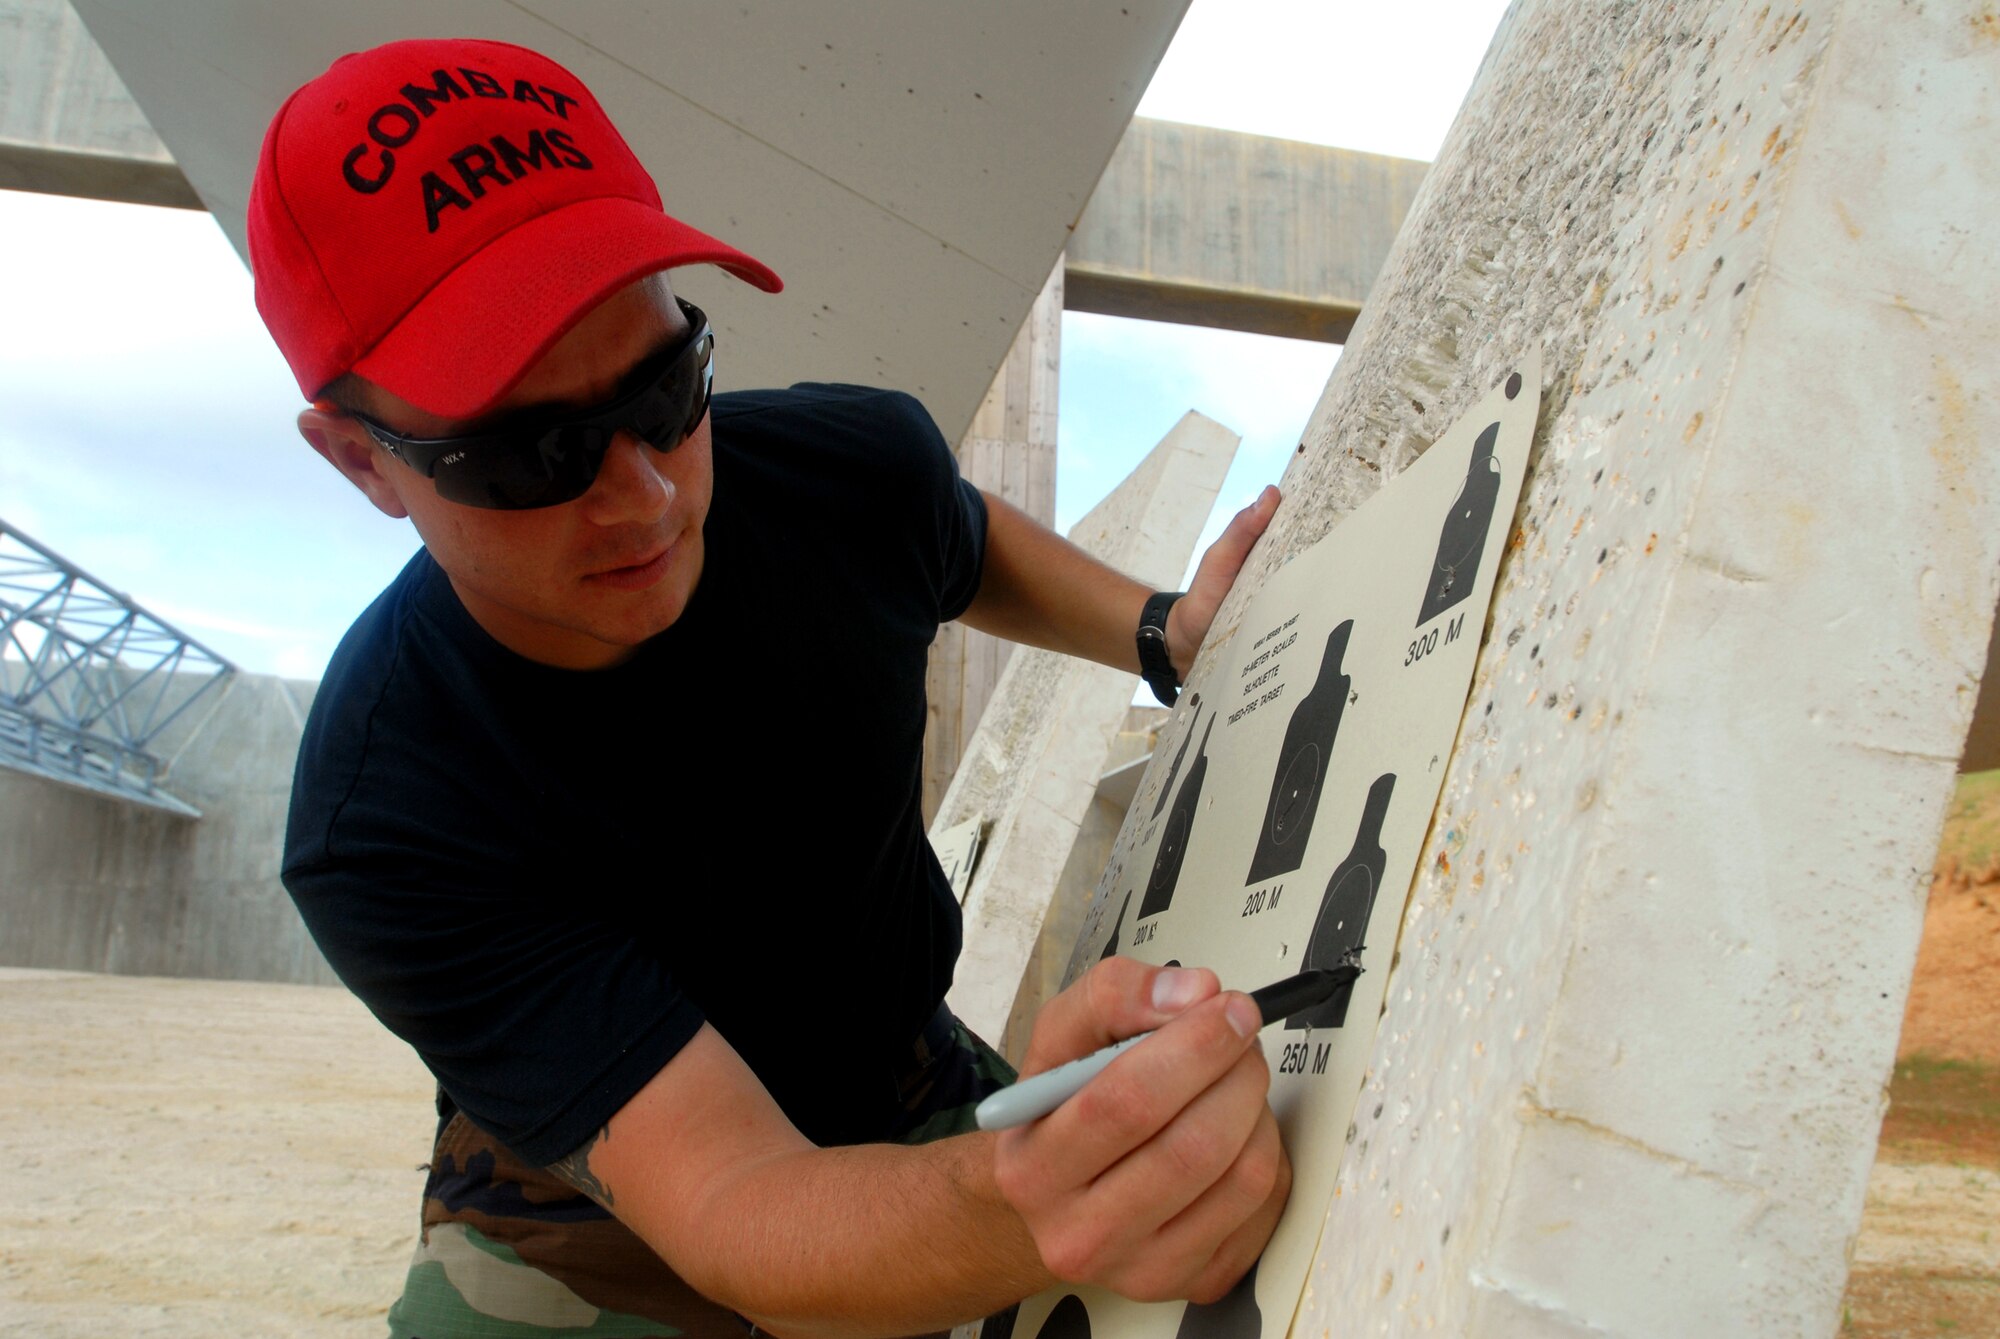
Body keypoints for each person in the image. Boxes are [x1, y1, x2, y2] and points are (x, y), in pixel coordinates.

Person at [253, 36, 1289, 1338]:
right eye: (532, 452)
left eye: (667, 387)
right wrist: (1022, 1208)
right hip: (610, 1228)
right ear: (363, 463)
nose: (643, 497)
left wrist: (1160, 630)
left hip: (900, 1072)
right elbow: (739, 1200)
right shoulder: (390, 811)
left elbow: (950, 539)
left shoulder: (839, 472)